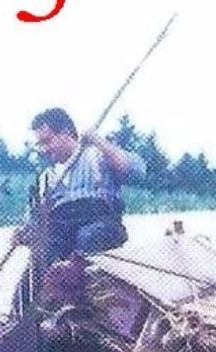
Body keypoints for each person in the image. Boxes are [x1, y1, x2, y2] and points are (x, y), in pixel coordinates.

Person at [27, 107, 146, 258]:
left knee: (88, 237)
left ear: (66, 133)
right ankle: (53, 276)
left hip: (100, 225)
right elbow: (35, 222)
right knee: (42, 252)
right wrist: (26, 234)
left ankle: (73, 271)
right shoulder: (45, 179)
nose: (43, 149)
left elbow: (135, 172)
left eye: (47, 141)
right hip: (60, 234)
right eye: (40, 144)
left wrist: (97, 140)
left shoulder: (98, 155)